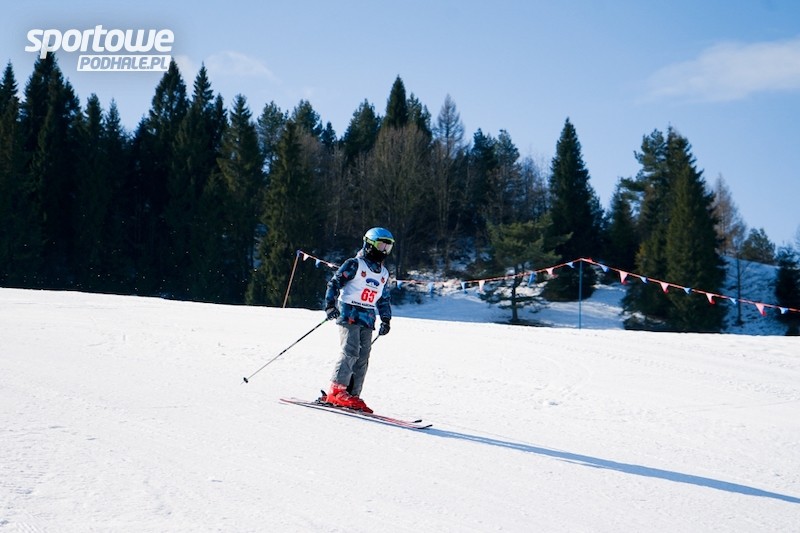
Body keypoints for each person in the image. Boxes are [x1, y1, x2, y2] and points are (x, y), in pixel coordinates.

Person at [322, 227, 394, 413]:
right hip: (349, 313)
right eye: (381, 245)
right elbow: (334, 283)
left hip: (368, 317)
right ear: (369, 244)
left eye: (388, 247)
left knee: (363, 357)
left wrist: (386, 319)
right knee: (350, 351)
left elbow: (384, 299)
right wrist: (330, 305)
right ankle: (336, 390)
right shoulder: (355, 264)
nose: (384, 250)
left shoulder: (383, 273)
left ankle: (352, 394)